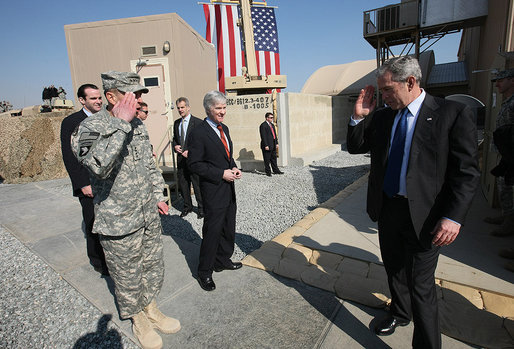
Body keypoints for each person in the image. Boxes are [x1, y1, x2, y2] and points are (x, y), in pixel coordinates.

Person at [347, 56, 479, 349]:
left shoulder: (452, 113)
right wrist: (359, 116)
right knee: (394, 268)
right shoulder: (383, 116)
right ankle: (399, 312)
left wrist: (453, 217)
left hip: (428, 217)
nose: (383, 96)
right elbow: (356, 147)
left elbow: (466, 173)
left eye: (387, 90)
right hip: (389, 208)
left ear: (410, 82)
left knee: (421, 285)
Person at [72, 71, 180, 349]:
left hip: (147, 214)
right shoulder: (89, 127)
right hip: (119, 219)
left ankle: (151, 309)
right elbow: (99, 165)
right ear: (111, 97)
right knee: (127, 274)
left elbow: (148, 164)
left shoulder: (138, 126)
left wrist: (158, 194)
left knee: (152, 266)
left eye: (141, 94)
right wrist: (120, 123)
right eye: (132, 94)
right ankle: (138, 320)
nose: (139, 100)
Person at [187, 90, 242, 292]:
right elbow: (194, 164)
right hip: (213, 190)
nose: (223, 112)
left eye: (224, 107)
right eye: (218, 108)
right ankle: (205, 272)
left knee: (228, 226)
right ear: (208, 109)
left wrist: (233, 167)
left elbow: (227, 156)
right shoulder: (198, 133)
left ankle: (222, 260)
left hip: (229, 188)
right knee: (212, 231)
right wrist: (221, 174)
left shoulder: (224, 128)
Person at [60, 84, 108, 276]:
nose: (98, 101)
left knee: (107, 222)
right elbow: (69, 156)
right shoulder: (72, 122)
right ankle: (98, 260)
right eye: (93, 98)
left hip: (106, 181)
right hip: (88, 183)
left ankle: (111, 257)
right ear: (82, 100)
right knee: (92, 222)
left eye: (99, 98)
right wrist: (82, 184)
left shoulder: (106, 118)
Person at [486, 69, 514, 238]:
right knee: (504, 185)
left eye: (501, 80)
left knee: (508, 185)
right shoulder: (507, 102)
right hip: (506, 153)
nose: (497, 84)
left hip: (511, 153)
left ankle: (509, 223)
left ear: (512, 81)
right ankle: (507, 217)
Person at [172, 97, 204, 218]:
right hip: (181, 160)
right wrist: (175, 146)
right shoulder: (176, 123)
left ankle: (201, 209)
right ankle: (187, 207)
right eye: (178, 108)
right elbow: (175, 139)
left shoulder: (198, 123)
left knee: (197, 185)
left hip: (194, 160)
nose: (180, 110)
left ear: (188, 107)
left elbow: (201, 143)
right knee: (183, 184)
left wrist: (191, 151)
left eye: (182, 107)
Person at [259, 112, 283, 176]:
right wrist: (266, 145)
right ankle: (268, 172)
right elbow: (263, 136)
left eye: (272, 117)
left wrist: (276, 143)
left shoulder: (272, 125)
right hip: (267, 145)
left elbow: (274, 135)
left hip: (273, 145)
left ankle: (276, 170)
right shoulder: (263, 125)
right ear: (267, 118)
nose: (272, 119)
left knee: (274, 158)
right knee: (267, 160)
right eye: (271, 117)